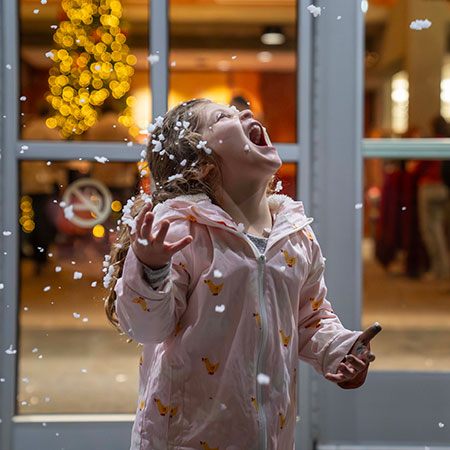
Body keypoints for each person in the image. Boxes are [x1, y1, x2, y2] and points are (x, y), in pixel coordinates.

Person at [103, 99, 382, 450]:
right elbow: (147, 328)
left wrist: (341, 350)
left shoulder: (294, 233)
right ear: (202, 164)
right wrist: (151, 268)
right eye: (224, 118)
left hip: (270, 438)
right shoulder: (180, 230)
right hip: (184, 437)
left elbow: (309, 318)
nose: (247, 114)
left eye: (239, 113)